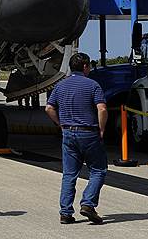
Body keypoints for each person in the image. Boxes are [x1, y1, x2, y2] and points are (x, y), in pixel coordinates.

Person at [45, 52, 108, 225]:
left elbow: (49, 108)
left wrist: (60, 124)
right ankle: (88, 203)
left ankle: (65, 213)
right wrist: (101, 129)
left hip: (68, 133)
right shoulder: (93, 85)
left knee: (69, 174)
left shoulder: (61, 86)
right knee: (98, 170)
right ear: (85, 67)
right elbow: (101, 109)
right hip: (89, 133)